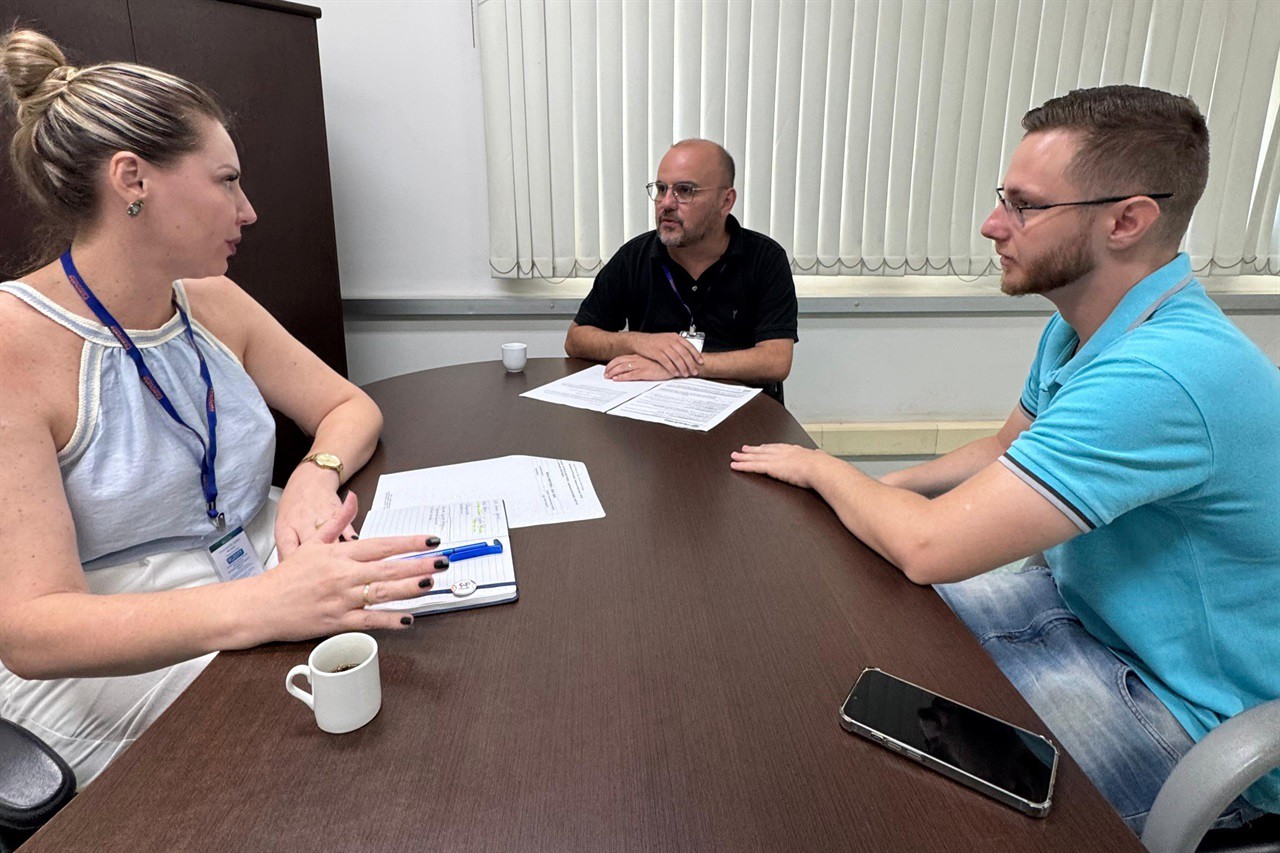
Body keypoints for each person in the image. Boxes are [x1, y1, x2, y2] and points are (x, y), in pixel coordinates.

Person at [730, 85, 1279, 833]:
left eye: (1024, 205)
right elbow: (1003, 448)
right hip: (1081, 613)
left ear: (1126, 220)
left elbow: (930, 546)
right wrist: (882, 485)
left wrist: (824, 468)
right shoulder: (1087, 323)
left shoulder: (1164, 373)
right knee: (839, 638)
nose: (993, 225)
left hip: (1185, 711)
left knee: (889, 802)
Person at [0, 29, 446, 787]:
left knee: (419, 682)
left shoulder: (211, 301)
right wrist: (263, 605)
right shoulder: (13, 342)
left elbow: (345, 406)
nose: (249, 210)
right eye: (227, 181)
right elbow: (32, 629)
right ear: (132, 179)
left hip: (266, 575)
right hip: (127, 643)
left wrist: (314, 473)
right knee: (327, 766)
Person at [564, 139, 798, 401]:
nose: (666, 203)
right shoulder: (635, 256)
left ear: (726, 201)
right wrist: (638, 342)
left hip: (741, 413)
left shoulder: (765, 259)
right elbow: (576, 339)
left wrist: (679, 367)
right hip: (654, 410)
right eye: (661, 189)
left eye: (685, 190)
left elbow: (776, 360)